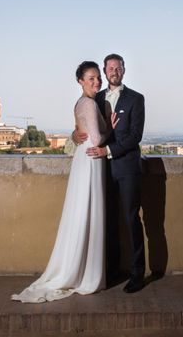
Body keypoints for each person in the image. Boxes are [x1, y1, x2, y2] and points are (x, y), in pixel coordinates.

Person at [11, 61, 117, 303]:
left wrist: (76, 133)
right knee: (89, 213)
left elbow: (80, 130)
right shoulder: (90, 103)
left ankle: (77, 269)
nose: (96, 81)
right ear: (80, 81)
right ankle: (88, 275)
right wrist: (110, 128)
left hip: (84, 158)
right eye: (91, 78)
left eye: (97, 77)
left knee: (82, 211)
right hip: (92, 158)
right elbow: (98, 138)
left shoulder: (80, 102)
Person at [75, 53, 146, 293]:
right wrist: (74, 136)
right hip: (100, 171)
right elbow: (83, 125)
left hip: (126, 168)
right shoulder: (96, 97)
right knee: (107, 222)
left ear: (124, 70)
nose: (114, 71)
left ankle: (137, 274)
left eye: (118, 67)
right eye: (110, 68)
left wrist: (108, 150)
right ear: (105, 73)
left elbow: (135, 136)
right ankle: (111, 271)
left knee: (130, 219)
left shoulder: (137, 99)